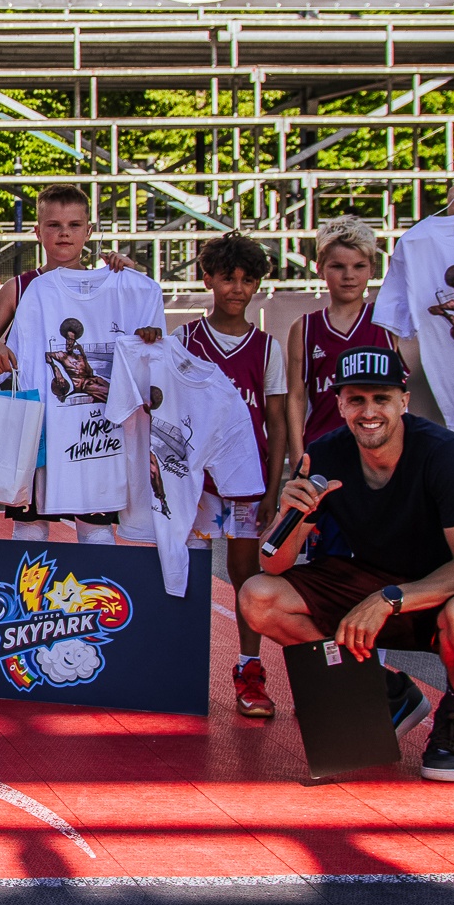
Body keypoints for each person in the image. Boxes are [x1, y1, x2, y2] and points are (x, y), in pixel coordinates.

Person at [239, 348, 454, 783]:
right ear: (339, 405)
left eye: (381, 399)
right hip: (375, 582)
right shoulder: (324, 454)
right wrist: (288, 515)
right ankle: (384, 694)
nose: (368, 412)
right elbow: (271, 566)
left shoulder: (446, 455)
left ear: (403, 402)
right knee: (258, 597)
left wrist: (388, 599)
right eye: (356, 399)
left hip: (452, 588)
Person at [0, 184, 142, 540]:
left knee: (98, 534)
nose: (64, 233)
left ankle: (95, 582)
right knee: (30, 531)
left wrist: (131, 280)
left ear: (89, 231)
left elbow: (145, 337)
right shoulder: (20, 287)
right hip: (37, 428)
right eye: (54, 225)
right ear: (38, 231)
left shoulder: (114, 284)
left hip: (92, 433)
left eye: (74, 225)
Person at [173, 233, 287, 719]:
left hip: (245, 483)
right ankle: (182, 669)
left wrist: (273, 488)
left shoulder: (267, 348)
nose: (237, 288)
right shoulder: (185, 340)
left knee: (245, 574)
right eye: (227, 278)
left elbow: (277, 422)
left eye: (247, 279)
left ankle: (249, 668)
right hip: (197, 484)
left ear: (257, 285)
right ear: (208, 280)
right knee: (191, 572)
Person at [285, 215, 396, 456]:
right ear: (320, 269)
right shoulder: (305, 328)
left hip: (379, 452)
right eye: (338, 266)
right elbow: (295, 398)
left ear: (372, 268)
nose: (349, 275)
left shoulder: (388, 323)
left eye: (359, 266)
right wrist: (296, 455)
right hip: (323, 449)